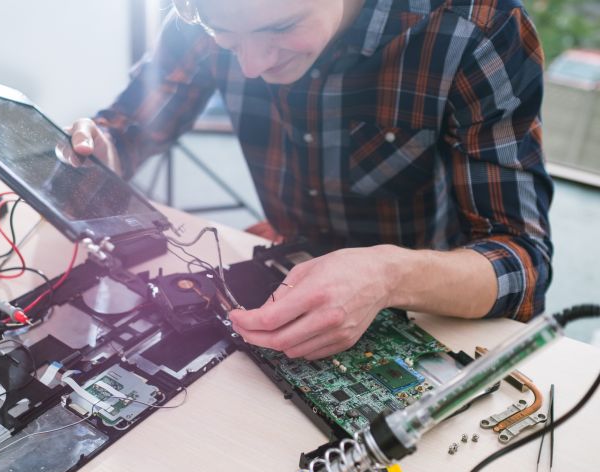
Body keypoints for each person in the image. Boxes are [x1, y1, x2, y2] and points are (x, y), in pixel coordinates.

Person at [60, 0, 553, 360]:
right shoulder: (206, 14)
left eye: (282, 27)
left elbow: (523, 263)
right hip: (283, 256)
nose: (252, 65)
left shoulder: (476, 28)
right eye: (225, 38)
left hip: (426, 301)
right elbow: (129, 129)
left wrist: (388, 276)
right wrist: (100, 149)